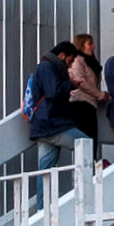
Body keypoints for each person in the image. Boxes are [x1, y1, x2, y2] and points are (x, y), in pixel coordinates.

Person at [24, 43, 89, 207]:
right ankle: (89, 196)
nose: (70, 64)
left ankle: (41, 211)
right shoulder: (48, 67)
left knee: (45, 173)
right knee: (86, 145)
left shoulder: (45, 67)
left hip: (44, 127)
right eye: (70, 59)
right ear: (61, 55)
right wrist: (71, 85)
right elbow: (53, 92)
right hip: (53, 124)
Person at [66, 35, 106, 152]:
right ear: (81, 45)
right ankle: (87, 168)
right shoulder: (77, 59)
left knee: (91, 141)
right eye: (89, 43)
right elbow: (80, 82)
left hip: (89, 104)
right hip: (80, 104)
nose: (93, 47)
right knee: (87, 142)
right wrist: (100, 95)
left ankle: (90, 167)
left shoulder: (89, 62)